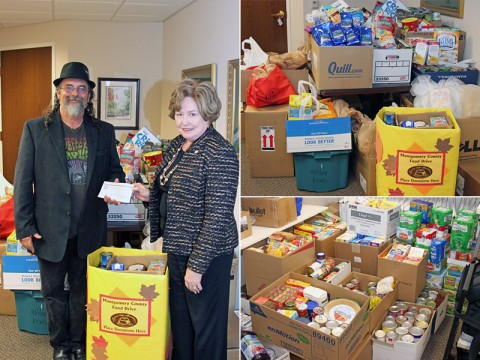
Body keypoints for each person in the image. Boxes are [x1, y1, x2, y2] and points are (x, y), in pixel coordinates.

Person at [14, 62, 125, 360]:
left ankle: (78, 342)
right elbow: (23, 181)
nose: (75, 93)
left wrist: (117, 185)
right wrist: (24, 227)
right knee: (52, 291)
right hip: (49, 228)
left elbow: (116, 171)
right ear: (58, 92)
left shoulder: (104, 131)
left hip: (89, 227)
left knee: (82, 290)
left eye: (81, 88)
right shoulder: (36, 129)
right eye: (69, 87)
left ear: (89, 95)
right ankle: (60, 345)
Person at [132, 78, 239, 360]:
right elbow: (171, 190)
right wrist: (148, 194)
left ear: (208, 114)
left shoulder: (220, 153)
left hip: (206, 257)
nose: (184, 121)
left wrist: (196, 268)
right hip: (176, 249)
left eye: (192, 114)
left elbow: (217, 216)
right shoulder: (179, 145)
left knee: (205, 334)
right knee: (182, 330)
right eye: (180, 113)